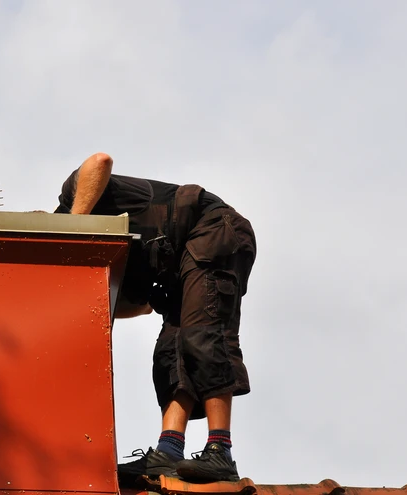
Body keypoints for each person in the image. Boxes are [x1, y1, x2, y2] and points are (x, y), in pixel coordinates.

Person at [54, 152, 257, 486]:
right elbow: (142, 306)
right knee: (169, 351)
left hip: (212, 229)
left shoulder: (71, 203)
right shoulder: (96, 263)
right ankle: (169, 452)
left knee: (203, 335)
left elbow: (100, 161)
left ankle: (220, 450)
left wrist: (72, 228)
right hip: (178, 265)